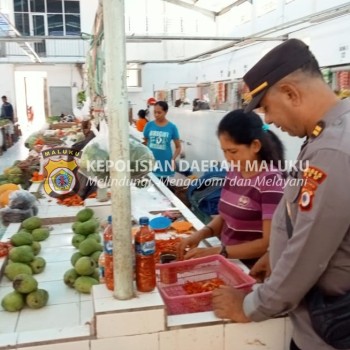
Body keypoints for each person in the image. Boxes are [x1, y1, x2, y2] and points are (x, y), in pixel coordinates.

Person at [211, 39, 350, 350]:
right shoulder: (327, 135)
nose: (269, 121)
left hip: (329, 325)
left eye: (267, 108)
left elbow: (309, 252)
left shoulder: (332, 149)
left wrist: (251, 305)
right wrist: (274, 254)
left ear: (290, 93)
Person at [178, 109, 284, 267]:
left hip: (252, 268)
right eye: (224, 151)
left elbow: (267, 243)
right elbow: (224, 217)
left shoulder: (270, 182)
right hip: (229, 261)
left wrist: (218, 251)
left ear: (255, 145)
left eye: (233, 151)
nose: (228, 158)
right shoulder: (234, 172)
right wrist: (200, 234)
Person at [143, 101, 181, 181]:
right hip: (151, 163)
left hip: (165, 163)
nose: (156, 115)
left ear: (166, 112)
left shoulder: (172, 127)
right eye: (155, 112)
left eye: (159, 112)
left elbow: (178, 147)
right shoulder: (149, 125)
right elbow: (145, 144)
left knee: (164, 187)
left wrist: (173, 159)